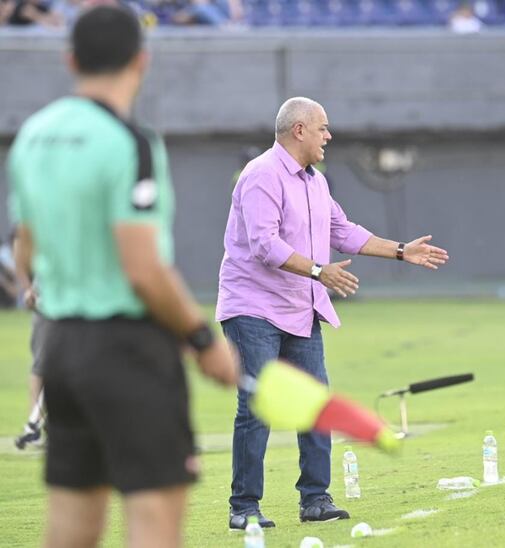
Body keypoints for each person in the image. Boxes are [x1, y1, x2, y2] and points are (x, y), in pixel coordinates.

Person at [6, 5, 238, 548]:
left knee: (71, 524)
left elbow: (24, 248)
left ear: (70, 60)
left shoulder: (33, 136)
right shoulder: (130, 141)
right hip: (128, 349)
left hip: (60, 346)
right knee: (155, 518)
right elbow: (143, 269)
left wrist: (49, 293)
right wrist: (202, 340)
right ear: (141, 61)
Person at [216, 96, 449, 529]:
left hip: (300, 308)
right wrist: (319, 271)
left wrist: (401, 250)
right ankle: (243, 507)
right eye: (322, 127)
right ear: (299, 130)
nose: (329, 135)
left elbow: (342, 231)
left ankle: (315, 500)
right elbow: (265, 246)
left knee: (317, 404)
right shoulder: (261, 174)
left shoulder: (316, 182)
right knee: (257, 406)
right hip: (253, 308)